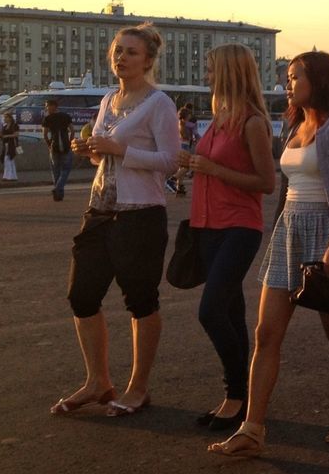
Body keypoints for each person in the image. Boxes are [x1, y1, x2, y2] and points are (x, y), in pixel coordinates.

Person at [209, 51, 329, 456]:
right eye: (287, 78)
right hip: (290, 230)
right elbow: (286, 185)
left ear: (319, 79)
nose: (288, 84)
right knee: (266, 333)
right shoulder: (293, 123)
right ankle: (252, 429)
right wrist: (277, 228)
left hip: (327, 232)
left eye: (295, 77)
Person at [51, 23, 178, 418]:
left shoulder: (160, 104)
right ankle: (98, 381)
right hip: (100, 211)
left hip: (140, 215)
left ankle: (138, 387)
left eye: (131, 53)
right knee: (81, 295)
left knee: (140, 301)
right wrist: (90, 149)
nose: (121, 58)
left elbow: (171, 162)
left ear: (149, 61)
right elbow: (105, 155)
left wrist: (121, 150)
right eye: (118, 51)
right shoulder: (109, 100)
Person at [181, 44, 276, 433]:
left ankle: (236, 394)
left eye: (210, 69)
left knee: (210, 311)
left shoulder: (252, 122)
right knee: (232, 314)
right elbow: (209, 166)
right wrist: (191, 164)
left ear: (228, 72)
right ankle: (242, 398)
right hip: (207, 227)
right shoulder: (219, 118)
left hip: (239, 227)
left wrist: (212, 168)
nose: (205, 76)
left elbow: (266, 183)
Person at [42, 99, 75, 201]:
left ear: (53, 106)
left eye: (47, 106)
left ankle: (58, 193)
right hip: (65, 145)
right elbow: (72, 131)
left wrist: (49, 145)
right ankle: (58, 191)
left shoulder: (47, 118)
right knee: (66, 169)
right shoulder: (65, 116)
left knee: (55, 170)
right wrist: (70, 142)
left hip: (54, 146)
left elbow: (45, 134)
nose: (46, 108)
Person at [0, 112, 20, 181]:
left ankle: (8, 176)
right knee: (9, 160)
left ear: (10, 118)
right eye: (4, 117)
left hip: (11, 144)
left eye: (6, 117)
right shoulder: (4, 126)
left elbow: (16, 134)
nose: (4, 119)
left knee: (8, 158)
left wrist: (7, 136)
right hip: (5, 144)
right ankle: (12, 176)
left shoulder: (14, 125)